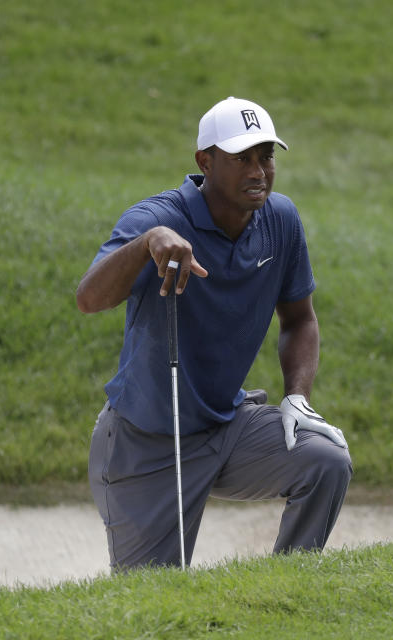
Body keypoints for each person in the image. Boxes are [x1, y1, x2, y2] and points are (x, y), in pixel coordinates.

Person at [76, 96, 353, 570]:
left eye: (266, 156)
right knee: (153, 608)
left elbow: (300, 319)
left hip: (227, 428)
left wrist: (297, 398)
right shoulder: (157, 218)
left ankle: (285, 594)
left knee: (325, 460)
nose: (258, 171)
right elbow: (89, 299)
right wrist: (147, 245)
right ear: (205, 161)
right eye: (241, 158)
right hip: (148, 445)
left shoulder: (281, 221)